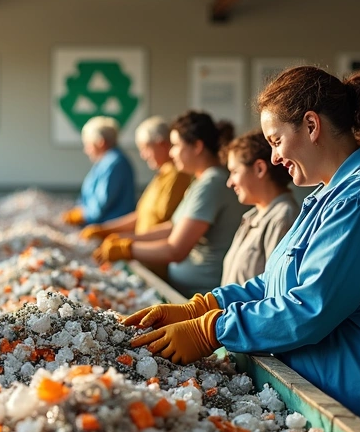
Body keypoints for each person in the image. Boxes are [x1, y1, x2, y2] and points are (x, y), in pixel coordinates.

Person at [123, 67, 360, 432]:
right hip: (345, 402)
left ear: (311, 125)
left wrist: (215, 329)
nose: (274, 156)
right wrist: (202, 306)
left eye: (276, 141)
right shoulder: (328, 197)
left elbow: (311, 306)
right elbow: (272, 284)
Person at [92, 111, 238, 298]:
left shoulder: (212, 183)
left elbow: (175, 249)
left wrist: (127, 248)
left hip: (199, 295)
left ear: (197, 146)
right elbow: (172, 228)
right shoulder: (202, 181)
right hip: (185, 290)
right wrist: (122, 237)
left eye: (176, 145)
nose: (171, 152)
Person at [79, 116, 193, 243]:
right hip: (143, 250)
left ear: (161, 144)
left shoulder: (179, 175)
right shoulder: (162, 174)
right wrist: (105, 230)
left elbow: (171, 226)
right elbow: (141, 215)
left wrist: (126, 240)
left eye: (145, 148)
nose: (143, 155)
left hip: (156, 253)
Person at [220, 130, 299, 286]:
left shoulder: (283, 218)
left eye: (235, 172)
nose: (230, 182)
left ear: (259, 169)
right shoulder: (252, 216)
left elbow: (274, 288)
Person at [61, 116, 136, 227]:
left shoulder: (114, 163)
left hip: (108, 228)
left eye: (88, 144)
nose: (86, 150)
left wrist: (80, 215)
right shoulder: (105, 162)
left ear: (101, 142)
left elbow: (100, 205)